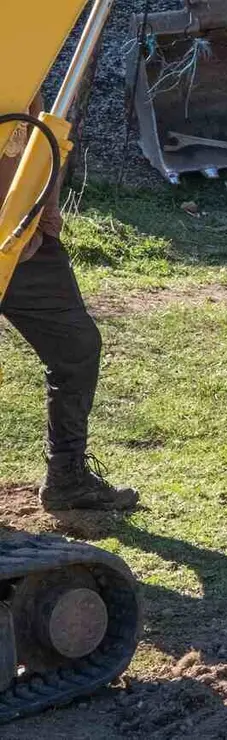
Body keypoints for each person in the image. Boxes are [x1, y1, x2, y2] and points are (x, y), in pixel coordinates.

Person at [1, 95, 137, 511]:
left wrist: (45, 215)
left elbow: (43, 134)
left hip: (25, 243)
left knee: (76, 346)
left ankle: (67, 477)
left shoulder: (26, 51)